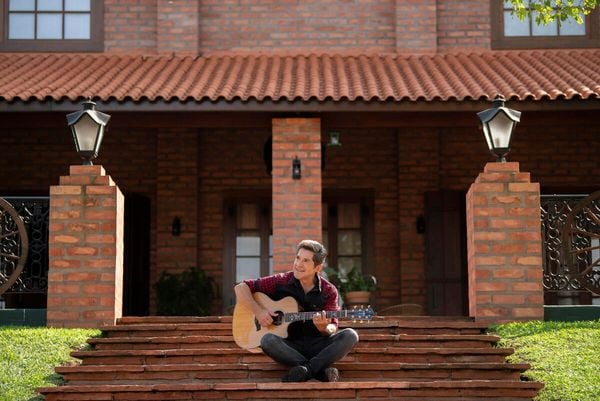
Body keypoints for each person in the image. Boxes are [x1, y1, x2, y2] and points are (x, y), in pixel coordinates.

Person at [234, 239, 359, 382]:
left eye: (305, 261)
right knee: (267, 340)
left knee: (351, 335)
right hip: (288, 347)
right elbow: (241, 288)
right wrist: (258, 311)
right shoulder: (281, 281)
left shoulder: (329, 291)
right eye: (298, 258)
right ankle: (319, 372)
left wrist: (325, 328)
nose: (298, 264)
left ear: (318, 267)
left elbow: (333, 327)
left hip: (318, 346)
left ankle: (305, 370)